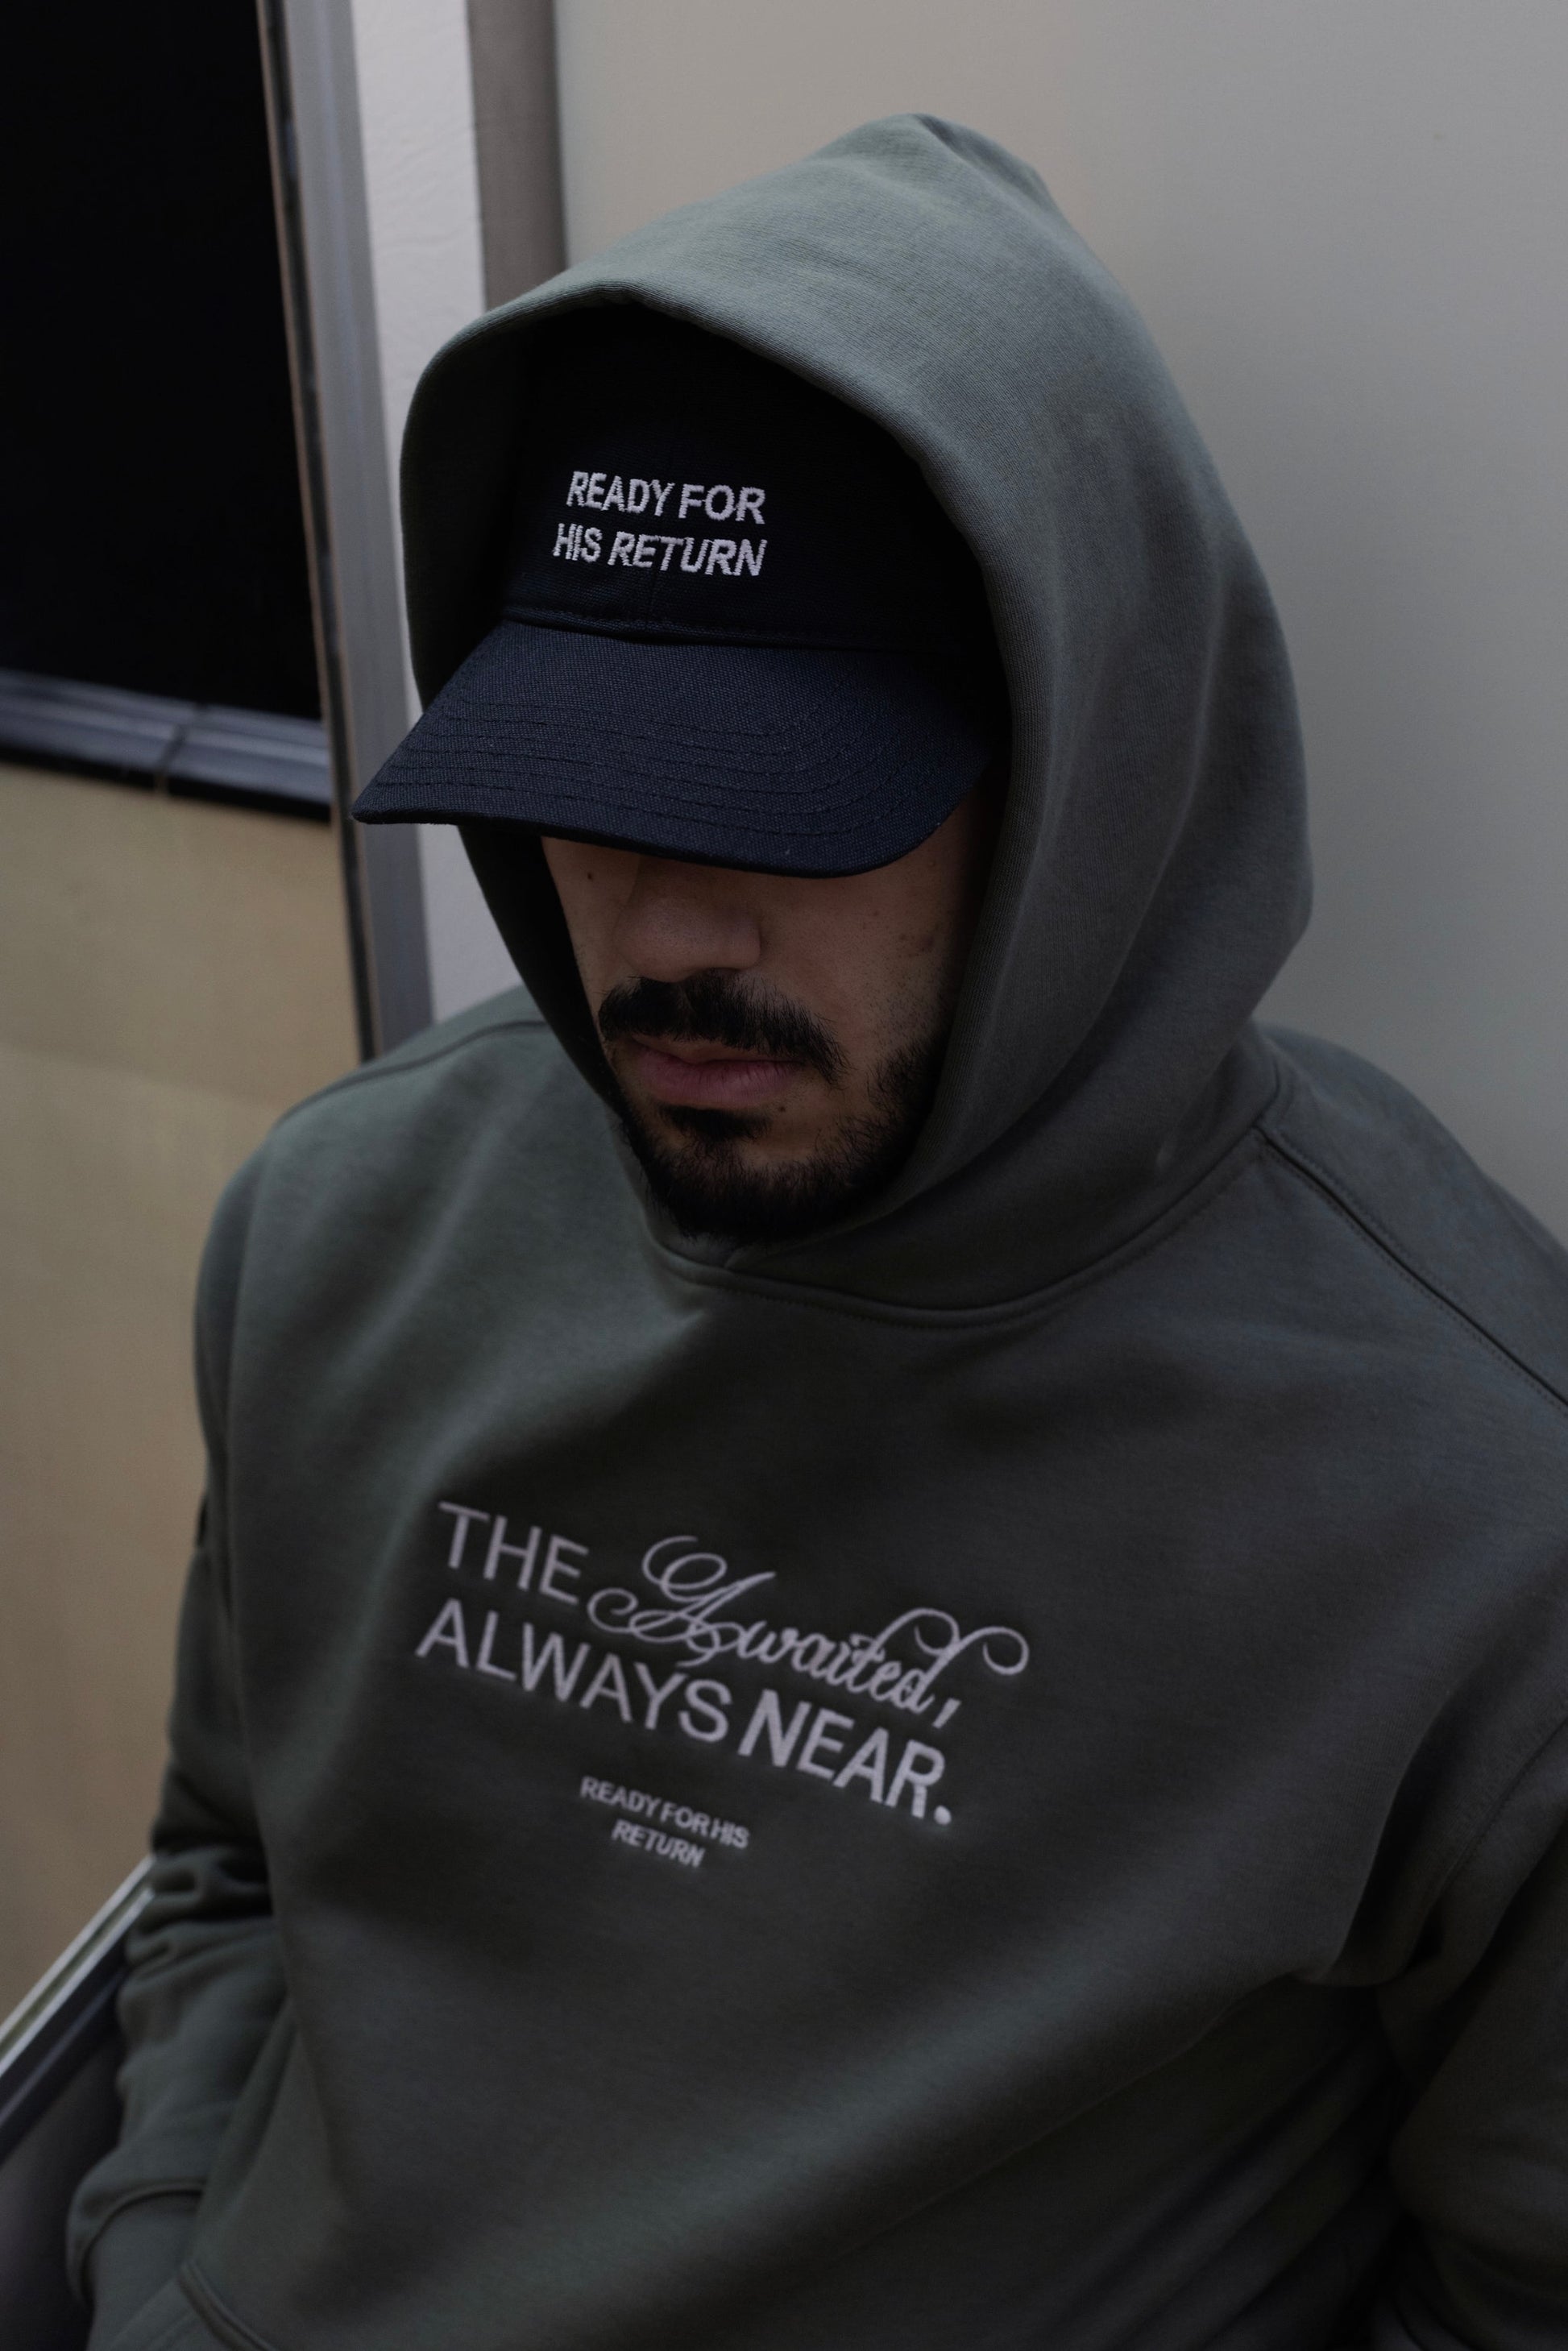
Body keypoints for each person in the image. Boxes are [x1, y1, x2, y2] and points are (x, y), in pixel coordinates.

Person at [72, 116, 1568, 2351]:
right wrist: (159, 2280)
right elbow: (231, 1867)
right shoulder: (348, 1219)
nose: (668, 934)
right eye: (589, 786)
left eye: (789, 808)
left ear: (1083, 774)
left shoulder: (1473, 1504)